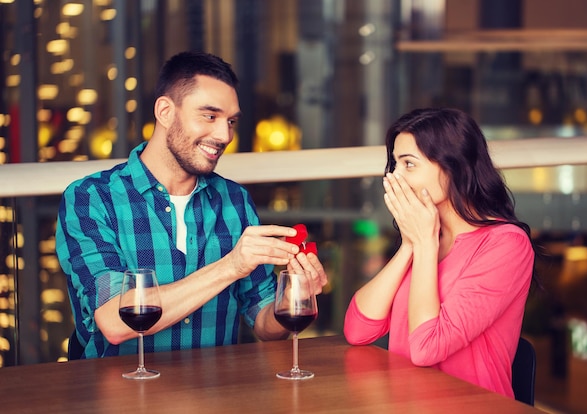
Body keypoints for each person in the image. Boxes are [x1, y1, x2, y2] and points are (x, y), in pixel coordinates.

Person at [56, 51, 327, 358]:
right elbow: (116, 322)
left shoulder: (234, 200)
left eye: (231, 121)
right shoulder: (92, 198)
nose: (224, 135)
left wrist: (290, 299)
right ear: (165, 111)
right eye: (209, 116)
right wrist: (231, 266)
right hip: (119, 397)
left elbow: (264, 325)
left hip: (215, 396)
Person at [343, 107, 535, 398]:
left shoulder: (506, 244)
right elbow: (358, 331)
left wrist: (423, 245)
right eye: (395, 164)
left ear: (452, 167)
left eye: (409, 164)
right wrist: (410, 245)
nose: (395, 177)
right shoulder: (425, 237)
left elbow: (425, 348)